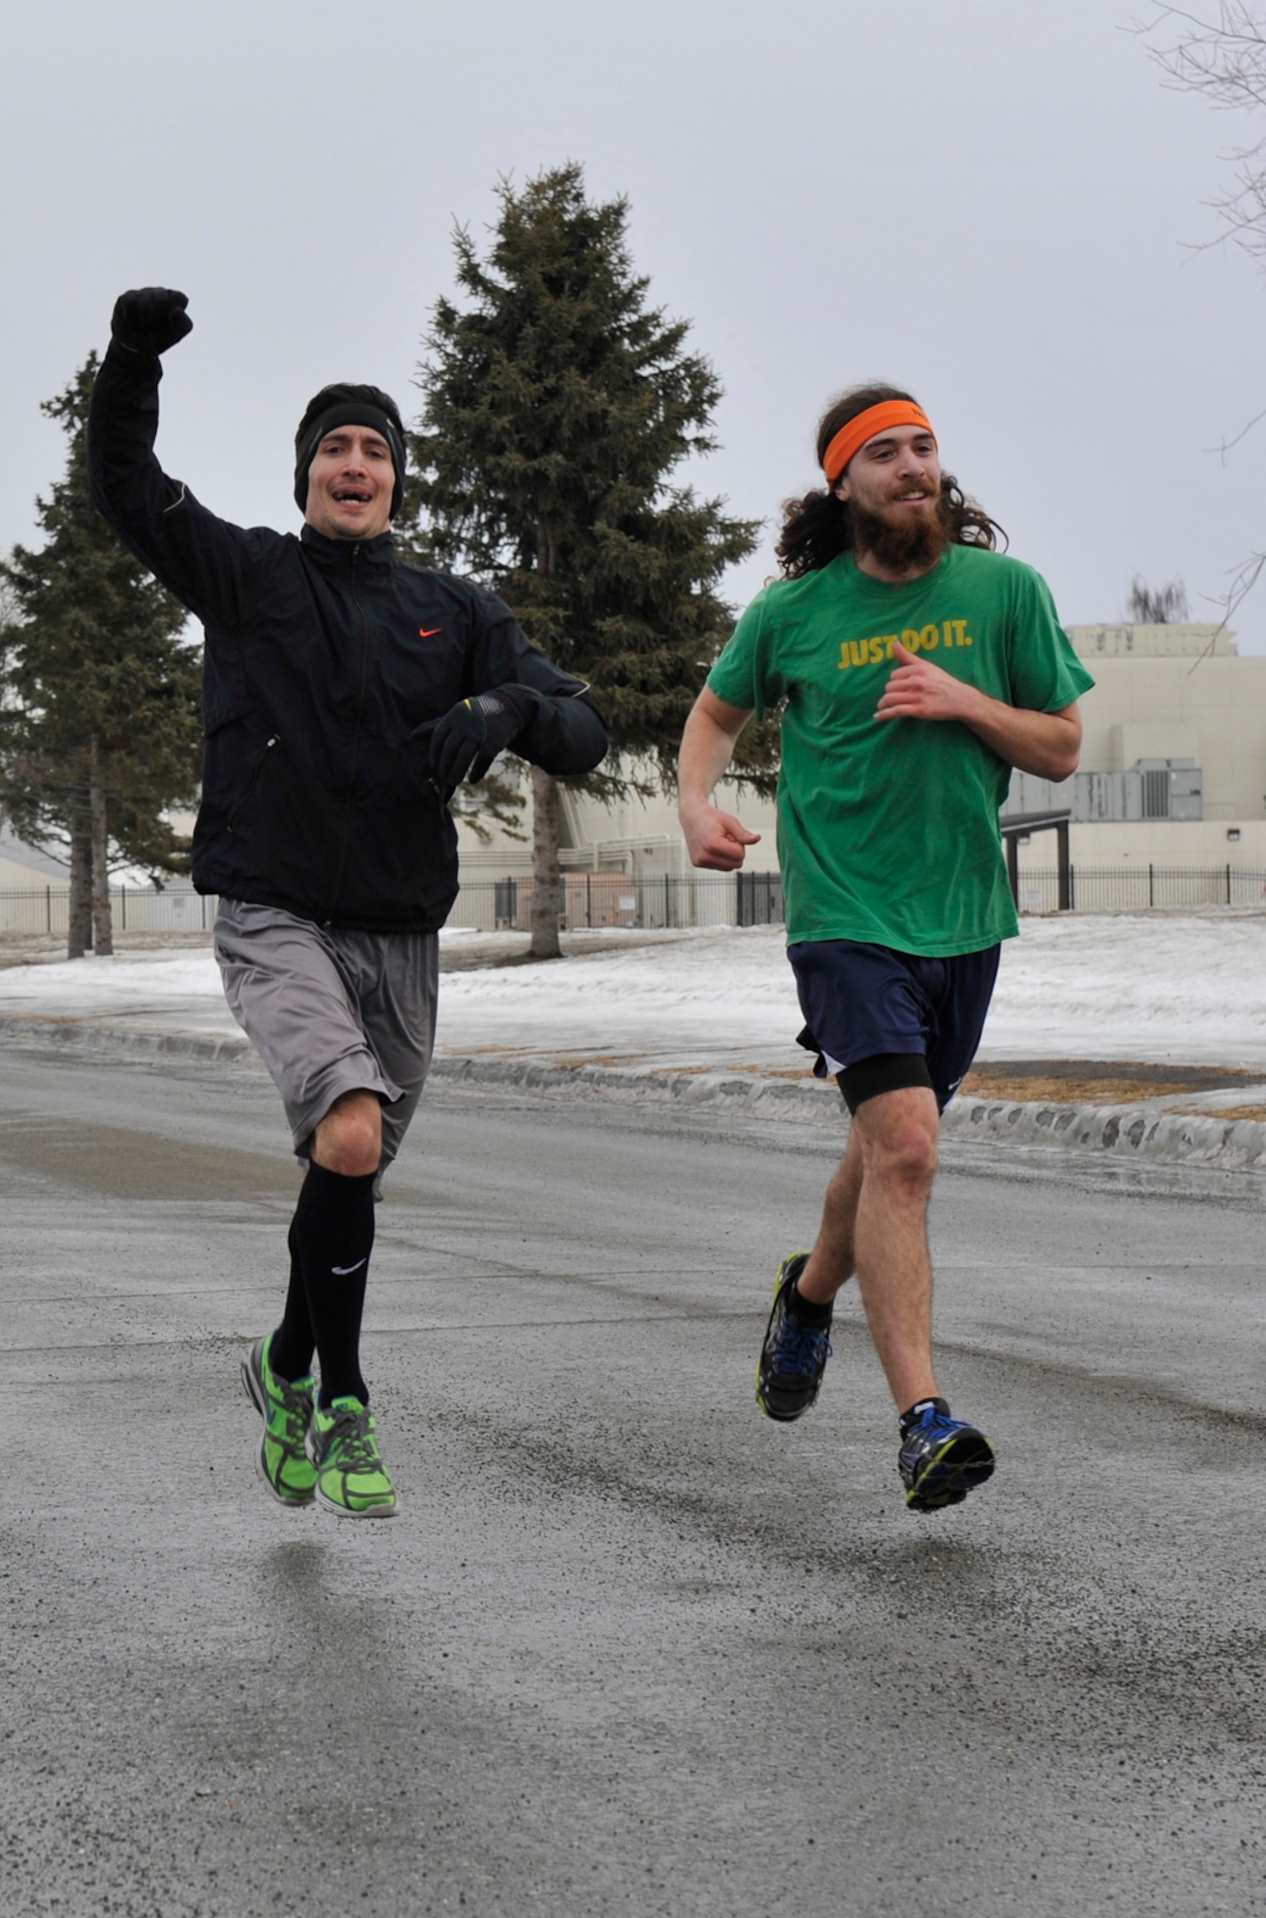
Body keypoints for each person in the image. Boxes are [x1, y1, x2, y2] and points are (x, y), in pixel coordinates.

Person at [88, 288, 608, 1519]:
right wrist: (131, 359)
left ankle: (279, 1362)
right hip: (272, 911)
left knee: (345, 1164)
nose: (354, 464)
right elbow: (124, 481)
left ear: (396, 480)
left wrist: (502, 708)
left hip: (398, 931)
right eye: (335, 446)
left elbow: (580, 728)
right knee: (353, 1130)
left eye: (374, 448)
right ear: (305, 474)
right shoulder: (252, 576)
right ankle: (347, 1396)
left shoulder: (457, 612)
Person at [677, 384, 1092, 1510]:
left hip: (960, 917)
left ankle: (808, 1295)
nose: (912, 465)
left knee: (878, 1151)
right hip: (842, 914)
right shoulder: (794, 610)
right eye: (884, 452)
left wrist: (964, 699)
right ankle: (922, 1419)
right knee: (906, 1144)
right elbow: (715, 711)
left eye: (922, 446)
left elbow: (1059, 747)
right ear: (842, 482)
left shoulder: (1002, 592)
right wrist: (693, 803)